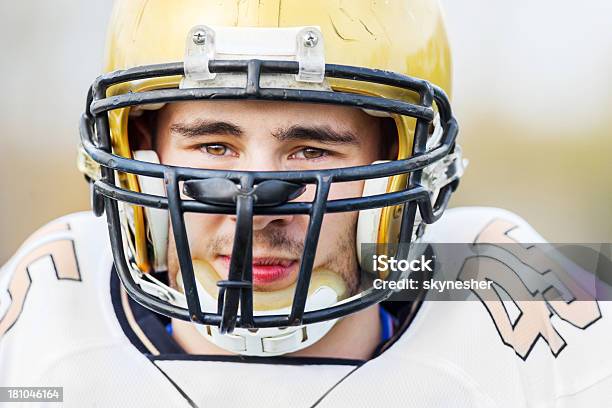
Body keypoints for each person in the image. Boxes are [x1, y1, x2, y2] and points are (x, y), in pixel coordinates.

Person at [1, 1, 611, 406]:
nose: (256, 206)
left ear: (404, 159)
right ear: (143, 153)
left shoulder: (505, 290)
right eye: (214, 145)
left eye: (311, 151)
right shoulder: (50, 308)